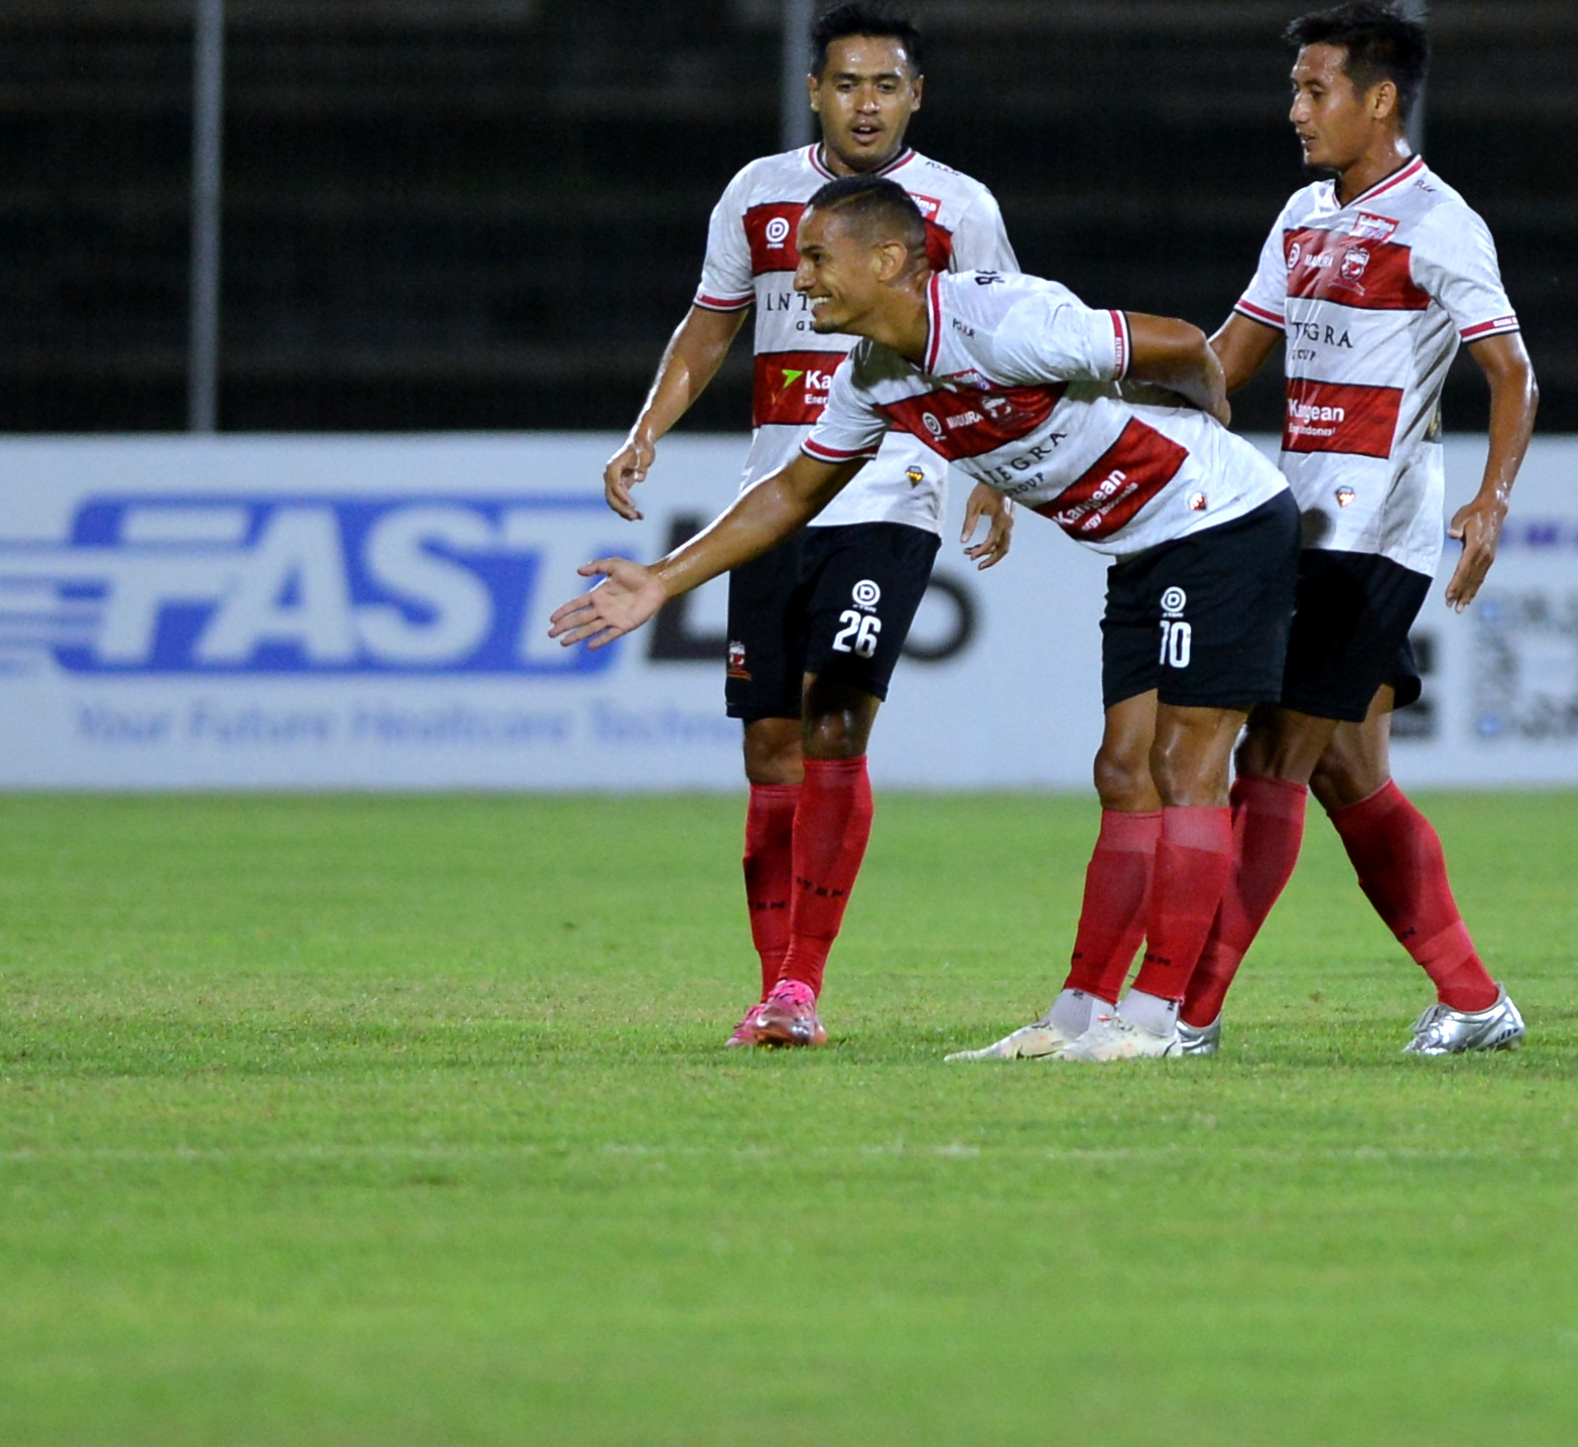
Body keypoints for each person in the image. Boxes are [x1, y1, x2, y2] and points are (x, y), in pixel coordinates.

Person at [554, 174, 1297, 1063]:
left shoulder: (1007, 321)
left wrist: (1211, 421)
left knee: (1183, 764)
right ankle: (1078, 1013)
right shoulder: (874, 375)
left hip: (1224, 522)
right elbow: (791, 490)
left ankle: (1158, 1018)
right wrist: (663, 582)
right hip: (1139, 547)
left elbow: (1177, 342)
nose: (802, 282)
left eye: (819, 259)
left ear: (891, 260)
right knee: (1120, 770)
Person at [600, 3, 1016, 1049]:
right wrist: (647, 426)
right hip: (772, 491)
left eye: (884, 84)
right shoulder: (755, 193)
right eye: (845, 83)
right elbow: (710, 321)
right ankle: (772, 986)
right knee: (769, 748)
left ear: (914, 95)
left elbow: (1005, 342)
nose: (863, 102)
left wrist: (993, 473)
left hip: (891, 493)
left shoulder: (954, 208)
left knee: (833, 720)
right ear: (812, 93)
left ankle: (799, 986)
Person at [1153, 1, 1536, 1056]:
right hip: (1297, 526)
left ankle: (1188, 1013)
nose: (1295, 110)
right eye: (1293, 90)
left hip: (1377, 537)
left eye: (1314, 90)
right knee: (1344, 771)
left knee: (1270, 758)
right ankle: (1470, 999)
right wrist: (1111, 417)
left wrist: (1487, 503)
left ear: (1378, 100)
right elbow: (1228, 359)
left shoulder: (1436, 225)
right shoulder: (1299, 217)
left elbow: (1511, 372)